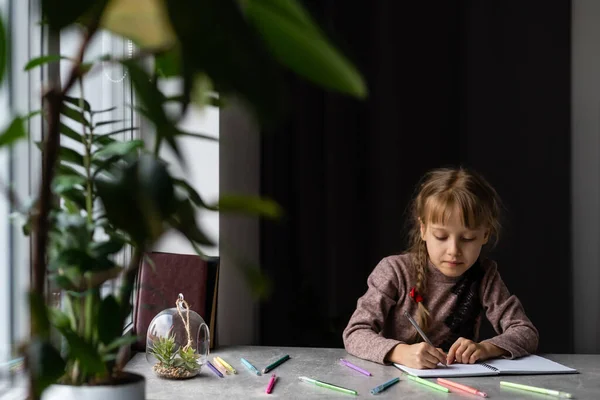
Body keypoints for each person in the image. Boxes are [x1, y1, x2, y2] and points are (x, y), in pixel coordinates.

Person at [343, 167, 538, 369]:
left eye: (468, 238)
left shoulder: (484, 274)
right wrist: (400, 352)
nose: (453, 250)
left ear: (485, 234)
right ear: (423, 229)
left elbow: (525, 331)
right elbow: (354, 333)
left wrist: (486, 348)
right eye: (441, 237)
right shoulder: (394, 271)